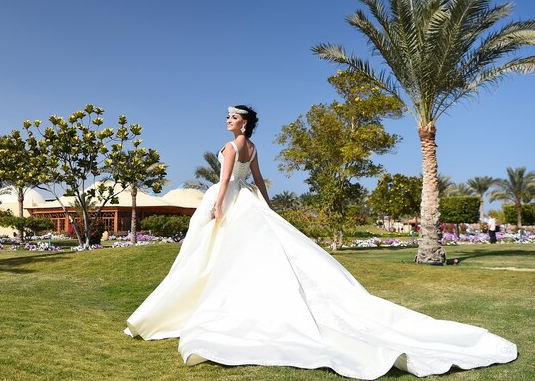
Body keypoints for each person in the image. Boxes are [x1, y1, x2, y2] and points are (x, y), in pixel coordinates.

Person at [124, 106, 517, 380]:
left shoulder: (230, 147)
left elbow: (226, 180)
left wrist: (218, 209)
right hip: (249, 203)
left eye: (232, 117)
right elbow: (258, 181)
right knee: (235, 254)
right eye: (227, 117)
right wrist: (268, 205)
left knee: (210, 254)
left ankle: (201, 306)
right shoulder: (255, 148)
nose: (227, 121)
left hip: (227, 201)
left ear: (243, 123)